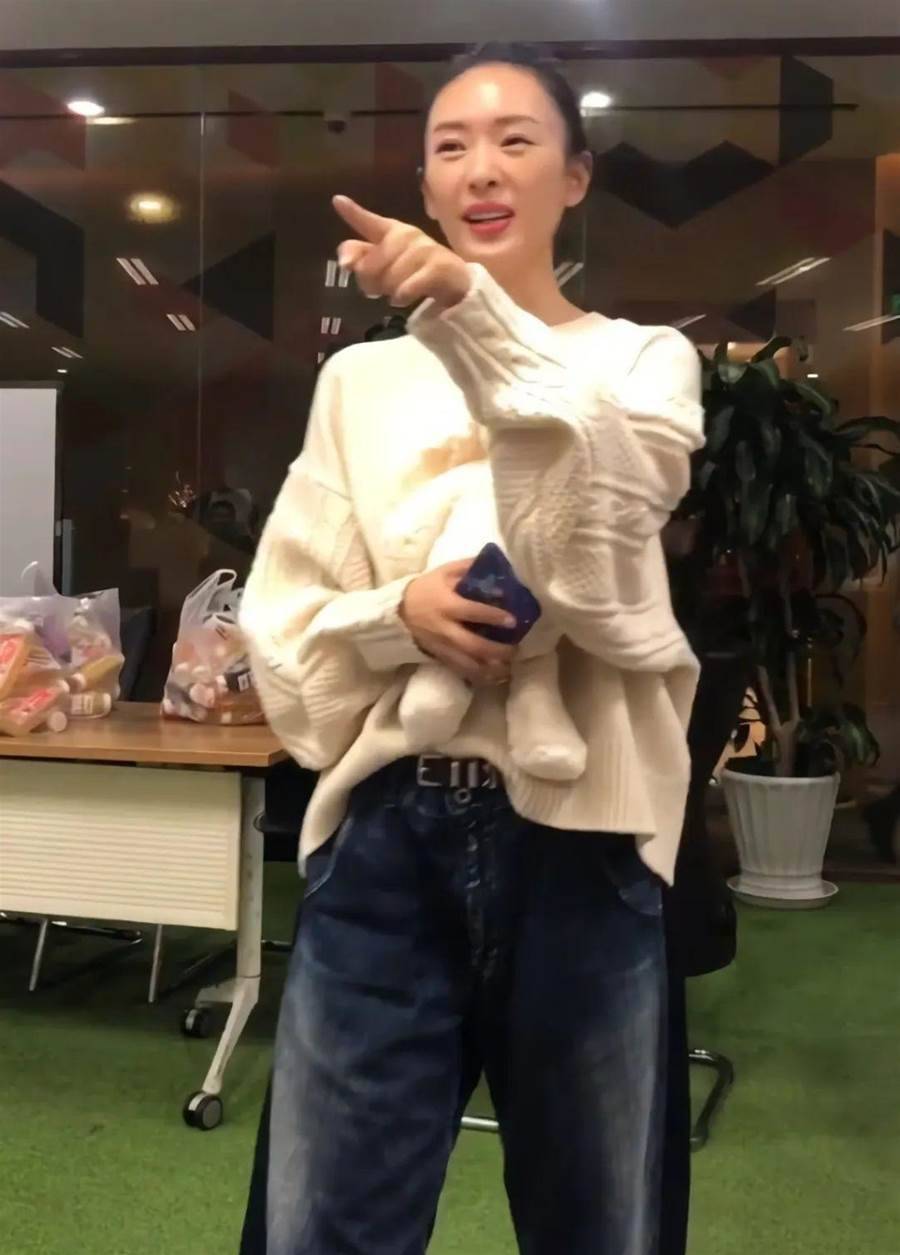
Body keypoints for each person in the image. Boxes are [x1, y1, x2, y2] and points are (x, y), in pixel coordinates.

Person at [240, 42, 705, 1255]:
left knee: (600, 1227)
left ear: (575, 177)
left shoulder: (644, 361)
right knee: (321, 1229)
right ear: (426, 186)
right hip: (385, 839)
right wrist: (396, 614)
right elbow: (284, 625)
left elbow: (594, 568)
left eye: (515, 141)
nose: (480, 169)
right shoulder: (359, 382)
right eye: (451, 147)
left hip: (585, 843)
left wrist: (469, 312)